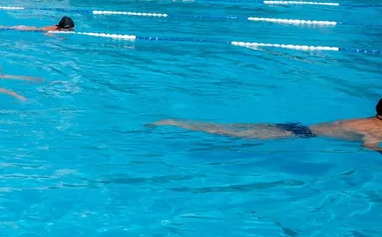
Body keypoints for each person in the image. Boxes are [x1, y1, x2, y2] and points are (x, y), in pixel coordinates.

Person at [153, 99, 382, 151]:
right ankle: (172, 122)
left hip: (297, 126)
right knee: (224, 132)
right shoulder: (377, 129)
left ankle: (174, 121)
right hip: (299, 134)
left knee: (229, 126)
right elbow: (368, 146)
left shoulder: (368, 120)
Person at [0, 16, 75, 33]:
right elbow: (47, 34)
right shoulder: (53, 30)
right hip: (23, 29)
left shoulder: (56, 27)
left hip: (24, 28)